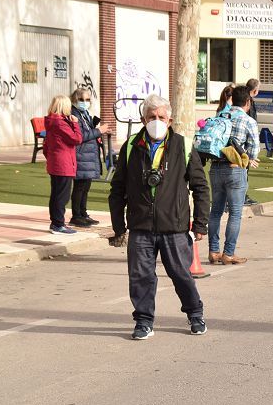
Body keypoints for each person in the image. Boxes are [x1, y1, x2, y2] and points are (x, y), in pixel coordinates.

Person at [108, 94, 211, 340]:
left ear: (170, 119)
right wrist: (118, 225)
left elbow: (200, 187)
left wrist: (200, 223)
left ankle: (195, 314)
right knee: (141, 276)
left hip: (173, 226)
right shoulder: (132, 145)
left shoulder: (183, 146)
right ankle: (143, 321)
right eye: (151, 117)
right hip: (141, 226)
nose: (156, 121)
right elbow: (118, 188)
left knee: (180, 274)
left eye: (161, 117)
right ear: (143, 119)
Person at [208, 86, 259, 266]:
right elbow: (254, 149)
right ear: (247, 102)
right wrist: (247, 158)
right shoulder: (248, 120)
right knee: (235, 213)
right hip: (235, 169)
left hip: (215, 168)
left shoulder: (220, 116)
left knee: (215, 211)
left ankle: (214, 251)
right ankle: (228, 253)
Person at [69, 89, 110, 228]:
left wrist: (97, 129)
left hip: (87, 154)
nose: (85, 102)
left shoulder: (84, 113)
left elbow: (87, 132)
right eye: (82, 99)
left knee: (85, 186)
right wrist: (99, 131)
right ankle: (76, 215)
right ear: (75, 100)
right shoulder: (74, 114)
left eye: (87, 100)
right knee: (79, 187)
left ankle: (83, 213)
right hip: (81, 154)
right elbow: (80, 136)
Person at [42, 95, 83, 235]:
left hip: (56, 162)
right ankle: (58, 224)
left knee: (56, 194)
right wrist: (75, 124)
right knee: (62, 196)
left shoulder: (51, 121)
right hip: (63, 164)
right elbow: (77, 139)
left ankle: (56, 222)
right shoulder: (60, 123)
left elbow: (46, 146)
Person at [244, 79, 261, 207]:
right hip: (245, 141)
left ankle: (242, 195)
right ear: (254, 90)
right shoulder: (247, 101)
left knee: (244, 170)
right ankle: (242, 196)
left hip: (245, 141)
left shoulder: (248, 100)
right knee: (243, 170)